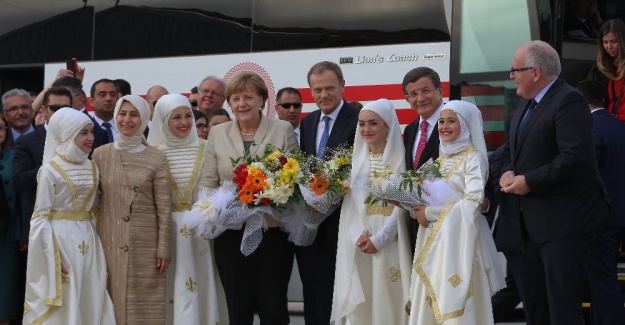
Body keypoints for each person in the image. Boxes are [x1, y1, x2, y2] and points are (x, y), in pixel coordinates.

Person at [501, 40, 609, 325]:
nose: (511, 76)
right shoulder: (525, 102)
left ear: (535, 73)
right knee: (536, 305)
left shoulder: (568, 100)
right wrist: (508, 171)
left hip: (565, 223)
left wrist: (530, 181)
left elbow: (576, 157)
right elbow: (515, 151)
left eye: (515, 70)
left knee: (562, 308)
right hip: (532, 224)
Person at [198, 71, 297, 325]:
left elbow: (293, 177)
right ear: (229, 103)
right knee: (237, 307)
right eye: (235, 98)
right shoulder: (218, 133)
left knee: (273, 307)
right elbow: (208, 182)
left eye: (248, 97)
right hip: (230, 233)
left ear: (262, 99)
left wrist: (269, 192)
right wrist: (207, 215)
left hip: (272, 233)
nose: (242, 104)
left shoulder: (282, 129)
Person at [408, 100, 505, 325]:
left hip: (463, 240)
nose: (444, 126)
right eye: (441, 121)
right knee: (432, 297)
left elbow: (472, 202)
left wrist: (429, 212)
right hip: (434, 239)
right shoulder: (439, 162)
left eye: (451, 121)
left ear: (466, 124)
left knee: (462, 303)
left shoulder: (473, 159)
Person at [23, 107, 115, 324]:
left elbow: (95, 208)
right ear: (67, 135)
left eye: (91, 132)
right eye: (83, 133)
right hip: (61, 241)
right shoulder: (49, 170)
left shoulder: (92, 166)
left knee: (91, 291)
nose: (90, 138)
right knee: (67, 293)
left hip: (90, 239)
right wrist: (51, 255)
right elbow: (40, 216)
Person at [92, 95, 172, 325]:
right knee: (109, 301)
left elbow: (164, 207)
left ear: (145, 118)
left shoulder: (157, 157)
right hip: (108, 238)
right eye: (122, 114)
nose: (127, 120)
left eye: (134, 114)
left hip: (145, 243)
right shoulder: (100, 154)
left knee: (146, 305)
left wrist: (164, 248)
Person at [331, 99, 411, 325]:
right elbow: (350, 208)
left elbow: (403, 206)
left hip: (391, 240)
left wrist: (380, 238)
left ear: (387, 125)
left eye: (373, 123)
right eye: (362, 124)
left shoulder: (401, 160)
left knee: (390, 294)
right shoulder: (355, 162)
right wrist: (359, 237)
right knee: (364, 298)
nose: (366, 130)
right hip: (360, 242)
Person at [147, 94, 223, 324]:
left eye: (187, 116)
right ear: (162, 121)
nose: (184, 122)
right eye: (176, 117)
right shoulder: (152, 151)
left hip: (202, 230)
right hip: (166, 232)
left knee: (201, 281)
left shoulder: (207, 147)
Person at [298, 61, 359, 325]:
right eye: (317, 89)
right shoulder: (308, 121)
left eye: (329, 88)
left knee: (344, 288)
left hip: (347, 217)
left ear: (343, 86)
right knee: (315, 288)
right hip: (314, 221)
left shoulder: (359, 119)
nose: (323, 95)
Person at [576, 79, 625, 325]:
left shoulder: (590, 129)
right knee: (604, 277)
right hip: (619, 215)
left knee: (601, 280)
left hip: (599, 219)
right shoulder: (618, 126)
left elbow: (586, 174)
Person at [401, 67, 444, 255]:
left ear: (440, 91)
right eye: (413, 94)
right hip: (417, 223)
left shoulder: (456, 122)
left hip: (446, 222)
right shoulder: (410, 130)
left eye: (426, 91)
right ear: (407, 99)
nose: (420, 98)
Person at [0, 114, 21, 325]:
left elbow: (23, 195)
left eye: (1, 128)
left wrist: (22, 232)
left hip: (7, 232)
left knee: (5, 288)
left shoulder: (14, 155)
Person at [596, 18, 625, 122]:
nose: (609, 47)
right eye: (605, 42)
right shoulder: (602, 69)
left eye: (614, 42)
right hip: (610, 124)